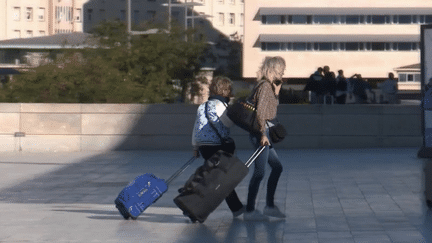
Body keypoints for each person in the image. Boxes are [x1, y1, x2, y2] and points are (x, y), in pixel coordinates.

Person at [189, 76, 245, 218]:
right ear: (225, 90)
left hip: (204, 146)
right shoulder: (221, 106)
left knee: (215, 177)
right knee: (222, 179)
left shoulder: (202, 106)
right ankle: (196, 207)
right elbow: (226, 125)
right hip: (217, 146)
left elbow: (197, 128)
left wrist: (195, 147)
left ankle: (236, 207)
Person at [243, 56, 286, 221]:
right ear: (273, 69)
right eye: (281, 69)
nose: (283, 72)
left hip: (263, 133)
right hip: (261, 134)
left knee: (276, 168)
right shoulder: (265, 86)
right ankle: (250, 210)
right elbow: (261, 112)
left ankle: (269, 206)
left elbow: (270, 110)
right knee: (260, 172)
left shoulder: (267, 86)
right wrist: (262, 134)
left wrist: (277, 93)